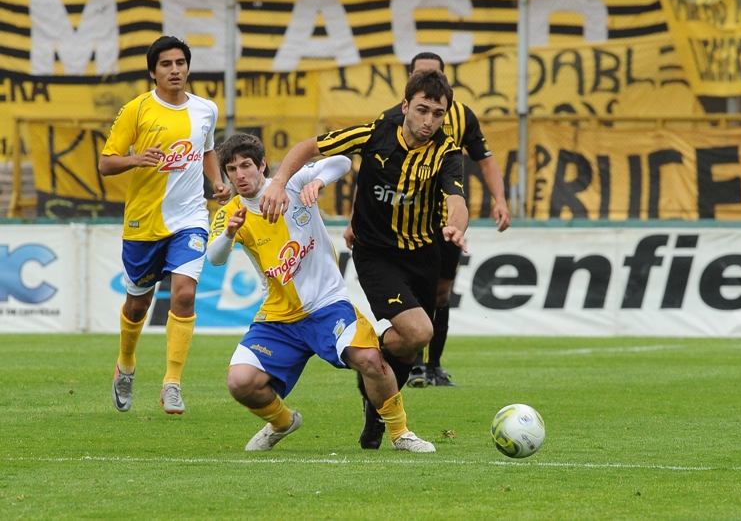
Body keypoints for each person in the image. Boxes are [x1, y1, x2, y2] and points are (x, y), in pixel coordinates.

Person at [259, 69, 469, 450]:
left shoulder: (447, 151)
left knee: (407, 345)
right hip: (376, 254)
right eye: (422, 110)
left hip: (424, 254)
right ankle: (380, 394)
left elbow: (457, 201)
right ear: (405, 106)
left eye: (438, 114)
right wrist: (277, 181)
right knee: (419, 333)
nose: (428, 121)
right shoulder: (376, 132)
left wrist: (456, 226)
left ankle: (374, 410)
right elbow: (310, 147)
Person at [207, 133, 435, 453]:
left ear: (262, 165)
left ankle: (401, 434)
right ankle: (282, 422)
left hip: (328, 306)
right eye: (232, 169)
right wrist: (230, 233)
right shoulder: (230, 213)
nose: (240, 175)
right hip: (279, 318)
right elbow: (214, 258)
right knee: (240, 383)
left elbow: (342, 161)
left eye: (246, 165)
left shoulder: (293, 182)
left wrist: (319, 181)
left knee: (371, 360)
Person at [348, 52, 511, 388]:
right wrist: (354, 219)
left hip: (445, 226)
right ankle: (408, 363)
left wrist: (500, 200)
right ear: (409, 85)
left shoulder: (461, 117)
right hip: (398, 227)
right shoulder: (391, 118)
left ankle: (432, 365)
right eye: (421, 75)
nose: (430, 117)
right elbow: (371, 176)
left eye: (434, 75)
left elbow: (483, 161)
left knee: (440, 294)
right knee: (415, 311)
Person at [99, 36, 231, 415]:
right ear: (153, 72)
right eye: (166, 64)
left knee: (185, 295)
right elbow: (106, 163)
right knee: (137, 305)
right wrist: (136, 159)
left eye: (180, 63)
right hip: (144, 221)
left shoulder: (206, 109)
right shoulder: (137, 110)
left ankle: (172, 383)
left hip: (190, 218)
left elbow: (206, 149)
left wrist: (217, 181)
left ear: (188, 67)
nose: (175, 70)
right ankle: (125, 365)